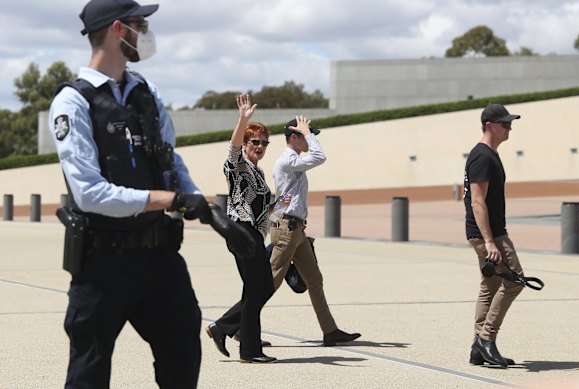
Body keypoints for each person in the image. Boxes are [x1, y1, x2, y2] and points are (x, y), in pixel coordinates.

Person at [49, 0, 253, 387]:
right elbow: (90, 193)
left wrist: (210, 211)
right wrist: (173, 201)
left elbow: (169, 161)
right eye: (140, 24)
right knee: (88, 372)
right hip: (102, 264)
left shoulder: (146, 92)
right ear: (116, 30)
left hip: (160, 257)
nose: (146, 33)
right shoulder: (73, 101)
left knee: (182, 356)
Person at [269, 115, 361, 347]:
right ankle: (237, 325)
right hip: (288, 229)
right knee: (270, 281)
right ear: (293, 137)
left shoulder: (294, 161)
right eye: (306, 136)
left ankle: (330, 331)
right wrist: (307, 132)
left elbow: (283, 198)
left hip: (296, 229)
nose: (310, 141)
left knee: (314, 280)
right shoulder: (288, 160)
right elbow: (320, 156)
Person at [205, 94, 277, 363]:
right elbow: (232, 149)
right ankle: (249, 349)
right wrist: (242, 120)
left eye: (264, 142)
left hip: (253, 235)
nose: (260, 146)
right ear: (246, 143)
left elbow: (257, 206)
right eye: (254, 142)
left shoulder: (257, 172)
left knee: (261, 288)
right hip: (241, 232)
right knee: (258, 288)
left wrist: (276, 206)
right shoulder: (238, 166)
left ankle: (223, 328)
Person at [463, 103, 524, 368]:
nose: (509, 128)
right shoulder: (483, 157)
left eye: (510, 123)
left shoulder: (487, 155)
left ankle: (478, 349)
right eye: (505, 124)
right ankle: (485, 340)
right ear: (490, 126)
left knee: (489, 288)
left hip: (489, 233)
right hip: (491, 235)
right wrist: (489, 241)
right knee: (514, 281)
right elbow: (478, 202)